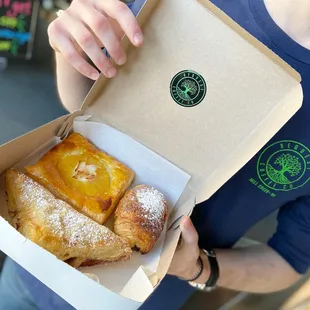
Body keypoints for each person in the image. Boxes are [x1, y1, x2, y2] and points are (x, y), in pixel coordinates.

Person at [1, 0, 310, 309]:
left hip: (141, 297)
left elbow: (289, 259)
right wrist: (70, 49)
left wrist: (199, 267)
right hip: (30, 253)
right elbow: (87, 108)